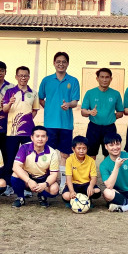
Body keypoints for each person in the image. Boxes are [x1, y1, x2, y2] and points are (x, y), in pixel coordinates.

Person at [37, 52, 80, 185]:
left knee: (65, 154)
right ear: (54, 63)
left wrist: (68, 105)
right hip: (50, 124)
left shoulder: (73, 81)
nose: (61, 64)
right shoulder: (46, 80)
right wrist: (50, 108)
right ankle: (49, 180)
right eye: (58, 61)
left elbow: (75, 102)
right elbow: (40, 98)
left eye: (64, 62)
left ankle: (63, 183)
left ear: (67, 63)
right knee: (49, 153)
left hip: (66, 124)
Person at [2, 66, 40, 181]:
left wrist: (26, 120)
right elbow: (5, 110)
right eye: (20, 75)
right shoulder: (10, 92)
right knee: (11, 156)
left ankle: (27, 182)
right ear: (16, 77)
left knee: (28, 158)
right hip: (12, 131)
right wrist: (10, 103)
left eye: (25, 76)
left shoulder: (34, 93)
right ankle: (8, 182)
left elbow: (34, 110)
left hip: (28, 131)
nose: (23, 78)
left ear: (28, 77)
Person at [10, 126, 60, 208]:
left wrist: (45, 184)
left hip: (43, 178)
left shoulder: (52, 152)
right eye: (37, 136)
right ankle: (20, 198)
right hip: (28, 178)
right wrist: (29, 181)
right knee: (15, 174)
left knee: (54, 189)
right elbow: (15, 167)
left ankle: (42, 196)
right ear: (32, 138)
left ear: (47, 138)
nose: (40, 139)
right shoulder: (24, 147)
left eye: (43, 136)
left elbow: (53, 174)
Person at [80, 68, 124, 158]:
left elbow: (120, 112)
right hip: (93, 128)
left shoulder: (116, 94)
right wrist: (90, 112)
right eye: (102, 77)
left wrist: (112, 116)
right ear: (97, 79)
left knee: (109, 155)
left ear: (111, 79)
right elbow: (83, 112)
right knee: (91, 154)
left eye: (107, 77)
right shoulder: (90, 93)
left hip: (110, 129)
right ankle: (91, 168)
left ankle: (107, 168)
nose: (104, 80)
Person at [62, 135, 100, 203]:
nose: (81, 151)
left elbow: (94, 177)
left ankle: (85, 198)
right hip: (74, 184)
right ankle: (76, 200)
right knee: (66, 196)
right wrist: (71, 191)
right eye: (79, 148)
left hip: (86, 184)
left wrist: (91, 186)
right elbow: (68, 178)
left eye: (84, 148)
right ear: (73, 149)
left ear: (87, 149)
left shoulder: (91, 160)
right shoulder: (69, 160)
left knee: (97, 191)